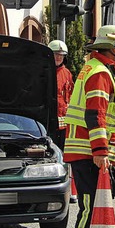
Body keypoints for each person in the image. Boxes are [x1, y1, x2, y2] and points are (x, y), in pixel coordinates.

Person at [58, 25, 115, 228]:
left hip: (90, 150)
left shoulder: (101, 70)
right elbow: (95, 114)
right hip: (87, 151)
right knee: (89, 207)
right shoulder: (99, 73)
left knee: (95, 207)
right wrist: (100, 151)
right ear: (114, 47)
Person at [48, 39, 77, 203]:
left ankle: (69, 190)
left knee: (66, 156)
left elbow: (70, 96)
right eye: (55, 54)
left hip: (64, 121)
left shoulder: (67, 73)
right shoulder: (44, 71)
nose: (58, 57)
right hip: (49, 121)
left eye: (61, 55)